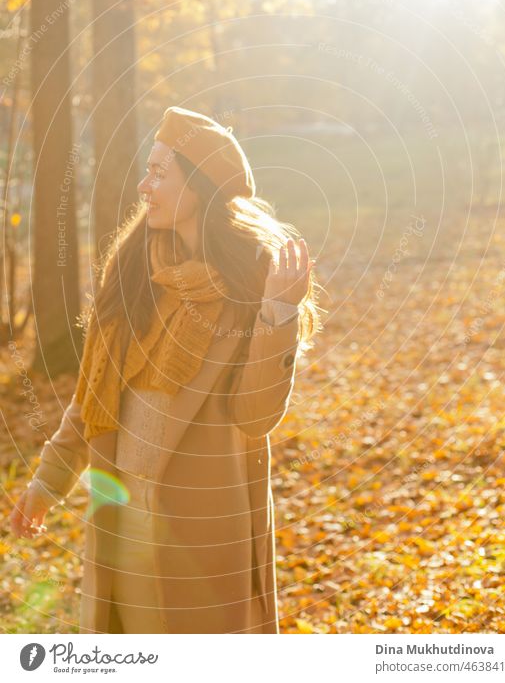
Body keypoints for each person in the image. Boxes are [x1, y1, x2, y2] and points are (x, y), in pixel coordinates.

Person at [9, 106, 323, 634]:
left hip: (201, 533)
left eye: (159, 173)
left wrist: (278, 313)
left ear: (198, 186)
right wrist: (48, 481)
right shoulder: (133, 271)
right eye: (146, 170)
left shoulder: (251, 283)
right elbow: (94, 396)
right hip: (124, 526)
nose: (143, 185)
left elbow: (255, 415)